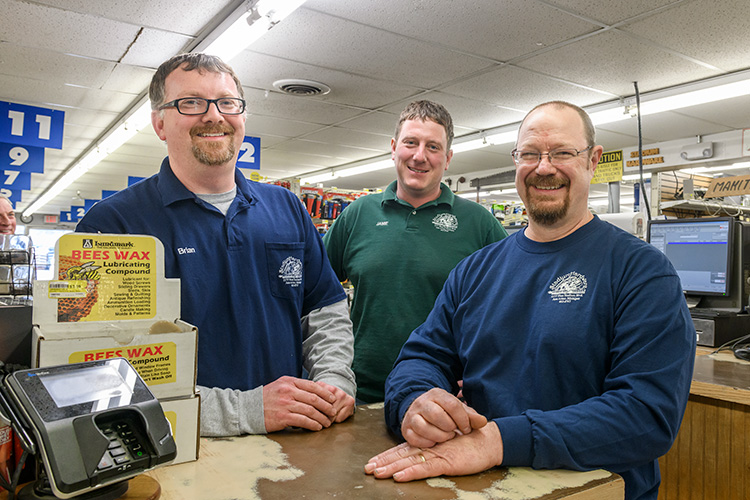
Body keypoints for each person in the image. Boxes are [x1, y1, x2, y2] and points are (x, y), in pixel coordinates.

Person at [365, 101, 696, 500]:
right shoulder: (475, 270)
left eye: (561, 153)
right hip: (482, 486)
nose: (543, 167)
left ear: (592, 160)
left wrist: (499, 440)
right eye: (530, 154)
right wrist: (415, 403)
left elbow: (647, 414)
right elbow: (421, 357)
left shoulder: (641, 272)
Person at [76, 53, 355, 436]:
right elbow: (103, 372)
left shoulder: (286, 206)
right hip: (180, 450)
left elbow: (323, 311)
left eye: (227, 102)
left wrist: (334, 382)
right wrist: (243, 411)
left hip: (295, 440)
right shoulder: (112, 226)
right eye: (191, 103)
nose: (214, 115)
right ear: (159, 122)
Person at [323, 100, 507, 403]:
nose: (420, 156)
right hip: (358, 392)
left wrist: (488, 371)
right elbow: (314, 294)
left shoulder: (479, 223)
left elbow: (512, 303)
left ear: (447, 159)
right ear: (394, 148)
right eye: (411, 143)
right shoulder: (357, 214)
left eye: (433, 147)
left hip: (440, 396)